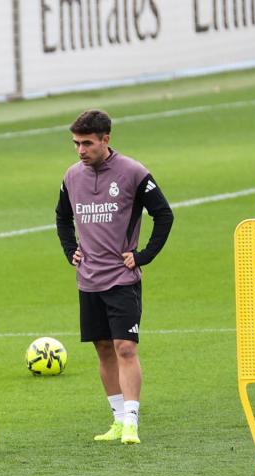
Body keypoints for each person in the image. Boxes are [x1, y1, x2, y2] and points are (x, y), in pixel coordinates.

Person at [56, 110, 174, 445]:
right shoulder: (71, 176)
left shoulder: (132, 172)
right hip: (88, 280)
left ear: (106, 139)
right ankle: (118, 420)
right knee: (103, 348)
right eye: (76, 143)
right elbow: (62, 217)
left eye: (87, 143)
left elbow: (164, 215)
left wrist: (142, 256)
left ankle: (133, 423)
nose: (80, 150)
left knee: (125, 347)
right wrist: (71, 250)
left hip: (122, 280)